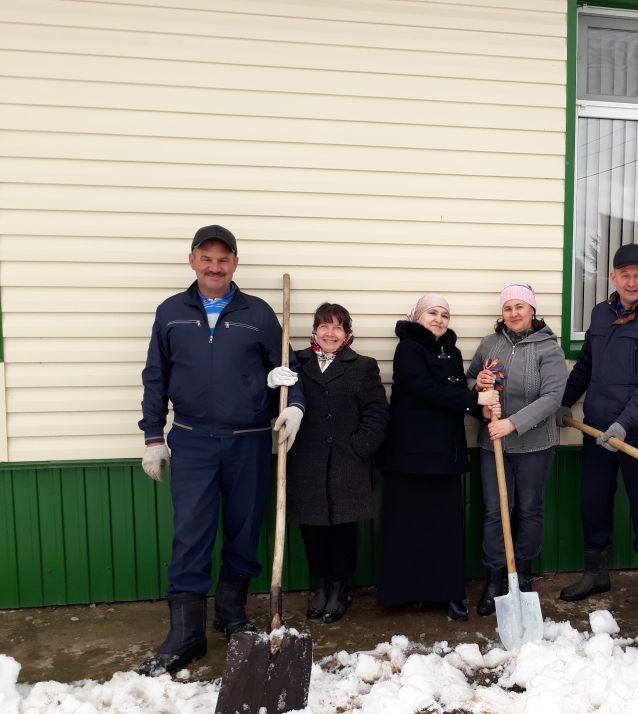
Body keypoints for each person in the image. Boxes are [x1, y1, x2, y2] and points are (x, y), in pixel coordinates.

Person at [137, 225, 304, 676]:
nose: (215, 267)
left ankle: (232, 614)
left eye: (223, 259)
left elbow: (286, 370)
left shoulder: (259, 314)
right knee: (191, 533)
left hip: (249, 441)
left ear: (235, 263)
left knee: (244, 530)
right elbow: (155, 376)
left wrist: (294, 407)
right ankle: (186, 635)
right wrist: (154, 437)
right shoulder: (171, 313)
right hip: (191, 440)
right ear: (192, 260)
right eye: (206, 258)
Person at [555, 244, 638, 628]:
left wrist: (625, 424)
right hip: (596, 429)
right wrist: (564, 402)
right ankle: (596, 574)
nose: (630, 280)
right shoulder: (601, 313)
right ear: (613, 277)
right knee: (593, 502)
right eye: (623, 274)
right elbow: (587, 365)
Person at [376, 294, 498, 621]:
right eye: (433, 312)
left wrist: (482, 407)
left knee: (444, 528)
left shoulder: (453, 352)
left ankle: (449, 593)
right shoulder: (408, 349)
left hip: (445, 452)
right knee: (407, 526)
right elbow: (425, 390)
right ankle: (402, 593)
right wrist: (474, 398)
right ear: (417, 316)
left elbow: (455, 396)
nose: (440, 319)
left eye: (445, 314)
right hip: (408, 453)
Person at [466, 283, 566, 615]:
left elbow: (552, 398)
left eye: (520, 307)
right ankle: (495, 579)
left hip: (535, 446)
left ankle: (522, 575)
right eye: (508, 308)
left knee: (529, 509)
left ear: (532, 310)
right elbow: (468, 383)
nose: (514, 313)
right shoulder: (490, 344)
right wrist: (478, 385)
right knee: (495, 512)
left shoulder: (548, 349)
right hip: (492, 444)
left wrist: (513, 423)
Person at [286, 303, 389, 623]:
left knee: (342, 533)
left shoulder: (362, 366)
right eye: (324, 326)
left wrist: (360, 447)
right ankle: (320, 587)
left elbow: (377, 412)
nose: (331, 333)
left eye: (338, 327)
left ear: (347, 332)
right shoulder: (295, 363)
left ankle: (339, 589)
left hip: (347, 463)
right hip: (306, 462)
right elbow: (277, 402)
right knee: (313, 532)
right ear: (315, 330)